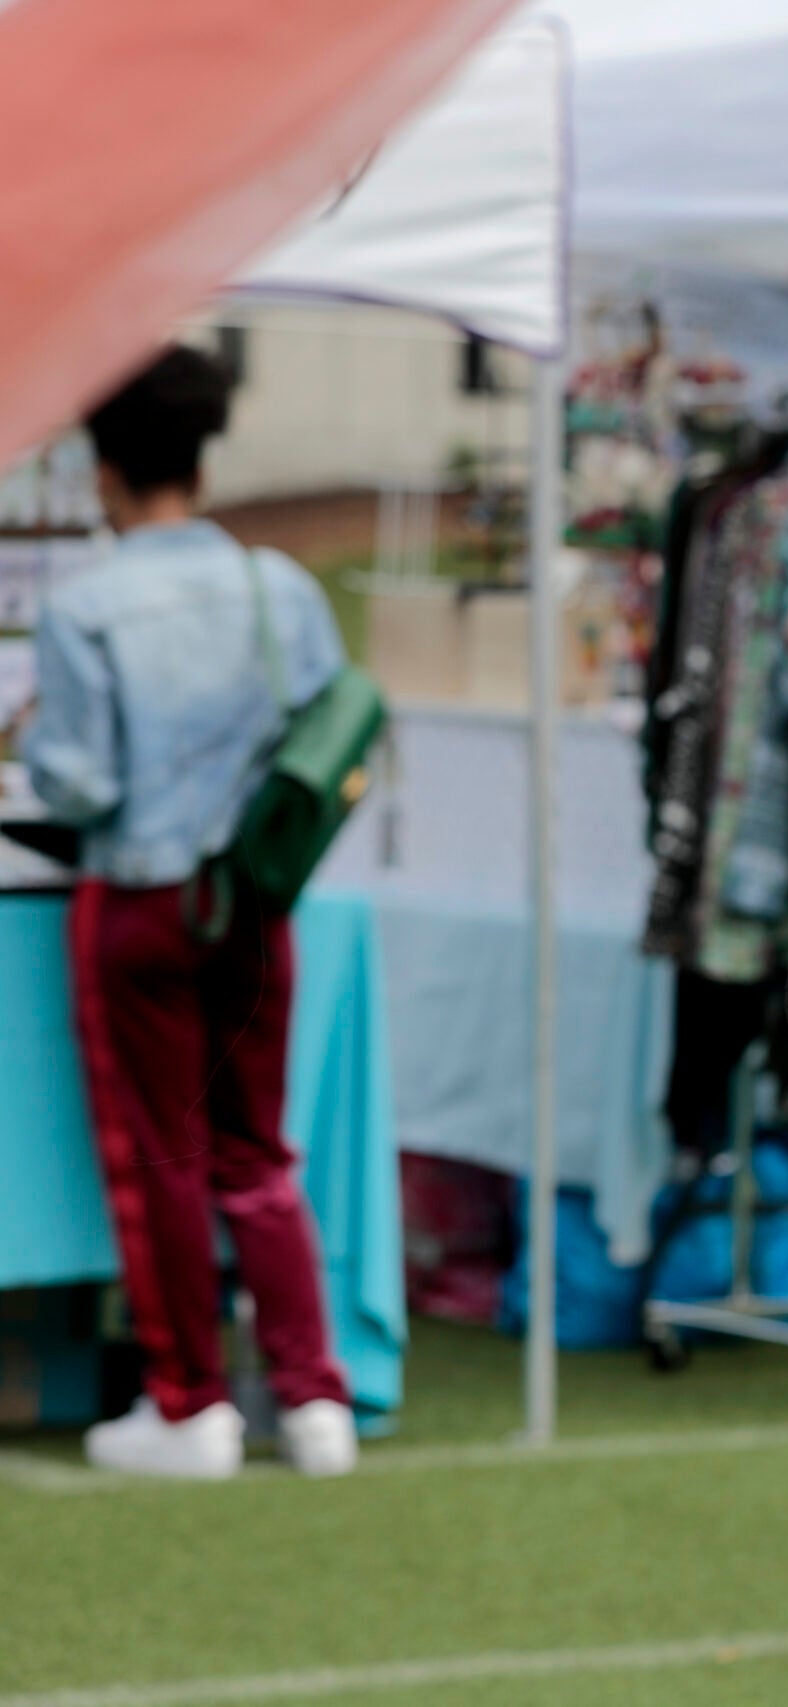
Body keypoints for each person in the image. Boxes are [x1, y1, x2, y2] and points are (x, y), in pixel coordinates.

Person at [22, 345, 358, 1480]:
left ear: (104, 471)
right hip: (257, 900)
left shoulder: (86, 609)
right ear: (202, 461)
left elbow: (80, 786)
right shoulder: (280, 586)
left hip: (143, 902)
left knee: (159, 1153)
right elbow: (325, 733)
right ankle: (314, 1400)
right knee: (258, 1152)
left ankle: (189, 1401)